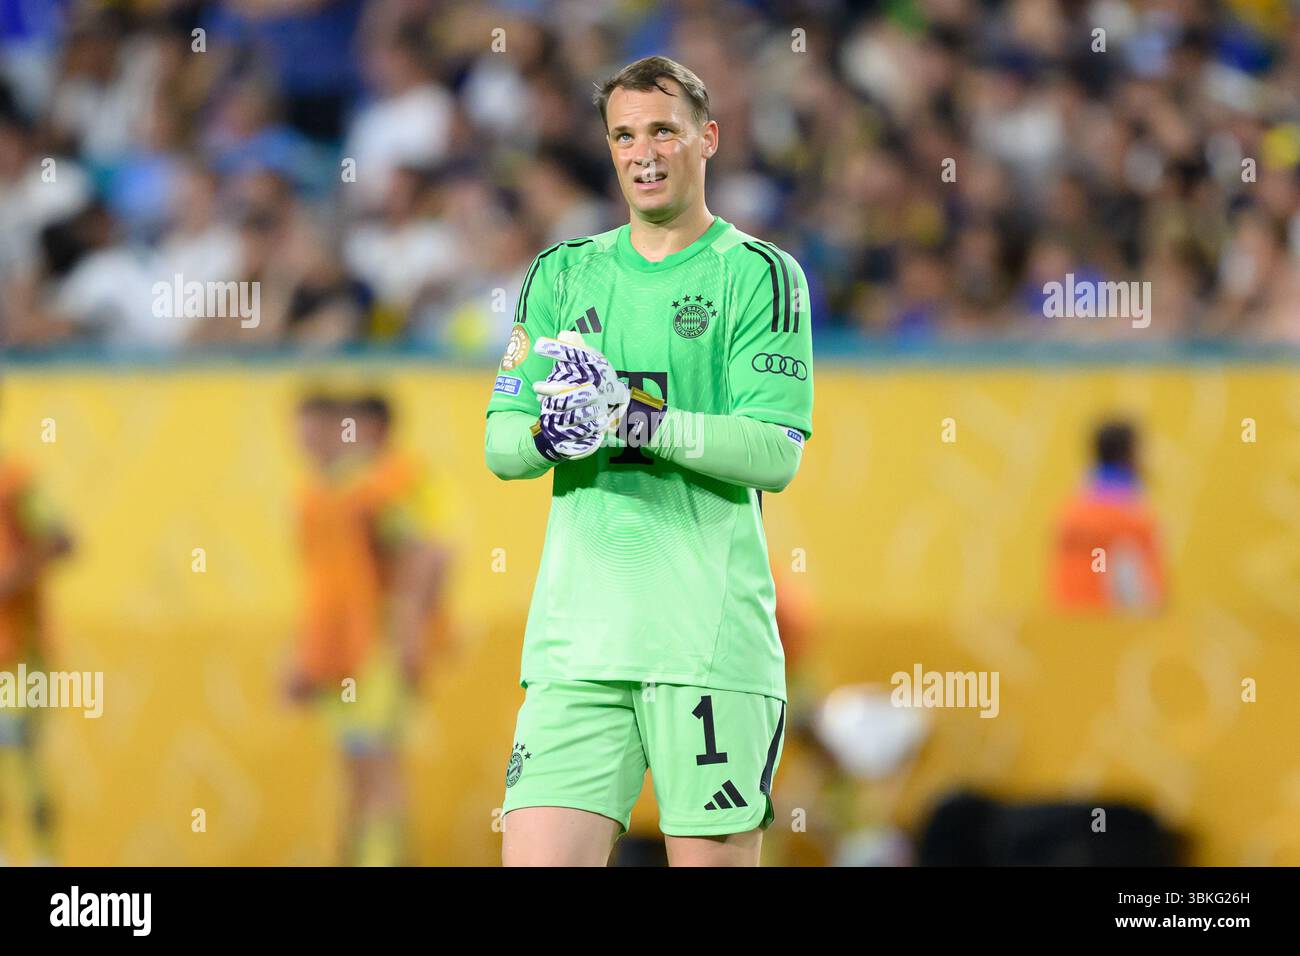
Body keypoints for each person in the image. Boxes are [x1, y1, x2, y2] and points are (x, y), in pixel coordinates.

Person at [484, 56, 814, 867]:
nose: (644, 151)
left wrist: (631, 421)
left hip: (705, 650)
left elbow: (774, 453)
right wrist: (549, 439)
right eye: (625, 135)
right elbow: (500, 444)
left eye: (663, 130)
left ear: (707, 138)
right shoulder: (561, 275)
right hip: (576, 651)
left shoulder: (761, 276)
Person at [287, 391, 451, 865]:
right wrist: (304, 653)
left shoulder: (381, 488)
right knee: (357, 771)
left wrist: (409, 632)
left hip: (372, 653)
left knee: (377, 769)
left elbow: (429, 553)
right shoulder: (326, 493)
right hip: (341, 655)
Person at [0, 414, 72, 865]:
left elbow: (63, 539)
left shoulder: (15, 481)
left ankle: (45, 860)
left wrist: (13, 578)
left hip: (17, 650)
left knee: (18, 752)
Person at [1052, 419, 1165, 612]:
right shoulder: (1130, 522)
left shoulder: (1069, 513)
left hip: (1066, 629)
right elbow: (1138, 598)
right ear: (1128, 455)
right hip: (1111, 632)